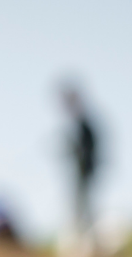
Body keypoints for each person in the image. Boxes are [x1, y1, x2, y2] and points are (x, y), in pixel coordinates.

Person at [60, 83, 99, 238]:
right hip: (80, 172)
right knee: (78, 207)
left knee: (83, 207)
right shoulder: (79, 124)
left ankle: (86, 239)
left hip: (85, 172)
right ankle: (80, 238)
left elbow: (89, 148)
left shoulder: (84, 124)